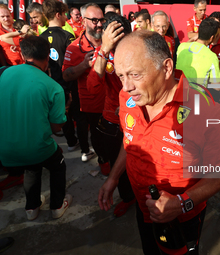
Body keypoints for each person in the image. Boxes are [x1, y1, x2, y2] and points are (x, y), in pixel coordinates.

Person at [98, 30, 220, 255]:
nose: (126, 87)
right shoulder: (128, 98)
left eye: (134, 74)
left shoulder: (205, 109)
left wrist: (182, 203)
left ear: (167, 67)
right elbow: (130, 140)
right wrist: (113, 177)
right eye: (121, 76)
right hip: (144, 210)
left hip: (183, 217)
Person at [0, 35, 72, 221]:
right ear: (48, 57)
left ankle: (31, 208)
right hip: (36, 148)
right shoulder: (53, 87)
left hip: (3, 150)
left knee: (32, 167)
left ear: (22, 54)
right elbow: (55, 126)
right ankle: (57, 205)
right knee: (57, 162)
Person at [87, 14, 135, 217]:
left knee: (140, 161)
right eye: (113, 39)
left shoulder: (137, 50)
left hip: (137, 117)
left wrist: (128, 104)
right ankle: (128, 198)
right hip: (112, 121)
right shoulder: (102, 53)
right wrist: (104, 50)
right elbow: (92, 87)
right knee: (118, 163)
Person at [62, 3, 105, 163]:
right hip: (92, 107)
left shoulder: (112, 41)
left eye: (102, 20)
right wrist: (84, 65)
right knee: (98, 138)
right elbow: (65, 76)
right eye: (94, 20)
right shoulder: (74, 48)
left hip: (115, 104)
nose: (99, 24)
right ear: (83, 21)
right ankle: (102, 161)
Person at [40, 0, 77, 152]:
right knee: (76, 113)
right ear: (58, 14)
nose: (66, 18)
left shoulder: (40, 38)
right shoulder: (68, 36)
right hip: (69, 82)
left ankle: (70, 142)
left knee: (62, 112)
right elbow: (75, 60)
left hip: (51, 82)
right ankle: (81, 144)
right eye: (64, 14)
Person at [176, 18, 220, 92]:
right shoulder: (212, 56)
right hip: (197, 97)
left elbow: (185, 45)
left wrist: (191, 39)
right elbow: (217, 87)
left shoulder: (182, 47)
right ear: (211, 37)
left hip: (178, 93)